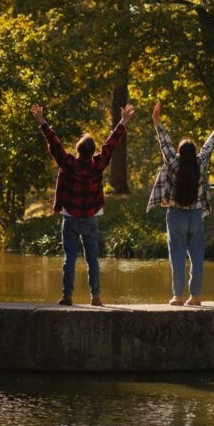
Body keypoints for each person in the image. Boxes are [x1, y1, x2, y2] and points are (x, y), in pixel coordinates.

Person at [30, 103, 135, 307]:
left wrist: (42, 121)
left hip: (71, 217)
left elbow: (55, 144)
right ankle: (95, 296)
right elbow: (111, 144)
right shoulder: (99, 163)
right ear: (92, 151)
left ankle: (67, 296)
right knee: (92, 260)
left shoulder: (69, 164)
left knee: (69, 259)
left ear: (78, 150)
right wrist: (123, 121)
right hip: (90, 217)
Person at [148, 101, 214, 307]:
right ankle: (195, 297)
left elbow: (165, 144)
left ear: (180, 152)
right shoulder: (201, 163)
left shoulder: (174, 163)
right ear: (193, 152)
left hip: (175, 214)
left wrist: (156, 121)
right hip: (196, 216)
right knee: (197, 257)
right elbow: (208, 146)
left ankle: (177, 296)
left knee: (176, 255)